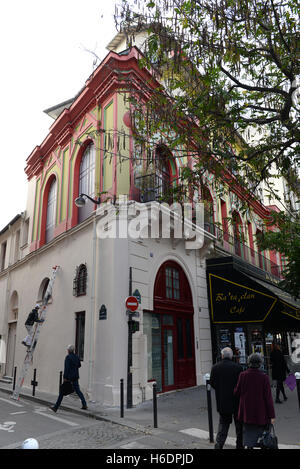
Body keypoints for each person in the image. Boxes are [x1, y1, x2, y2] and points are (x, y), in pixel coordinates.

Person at [234, 353, 275, 449]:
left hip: (246, 412)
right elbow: (268, 398)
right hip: (261, 413)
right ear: (260, 363)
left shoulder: (242, 375)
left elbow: (237, 392)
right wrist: (272, 415)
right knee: (262, 438)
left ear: (249, 363)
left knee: (248, 439)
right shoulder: (264, 377)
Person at [210, 347, 244, 449]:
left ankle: (219, 444)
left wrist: (221, 390)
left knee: (223, 425)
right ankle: (239, 445)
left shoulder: (215, 367)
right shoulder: (238, 368)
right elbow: (241, 385)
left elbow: (212, 383)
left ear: (222, 355)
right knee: (239, 426)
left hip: (223, 401)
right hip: (236, 401)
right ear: (232, 356)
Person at [51, 345, 87, 412]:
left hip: (69, 377)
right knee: (78, 391)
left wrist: (65, 377)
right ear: (73, 350)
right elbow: (79, 365)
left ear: (68, 350)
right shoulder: (76, 356)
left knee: (62, 392)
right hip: (75, 376)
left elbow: (66, 368)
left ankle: (56, 407)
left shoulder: (68, 357)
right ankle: (84, 404)